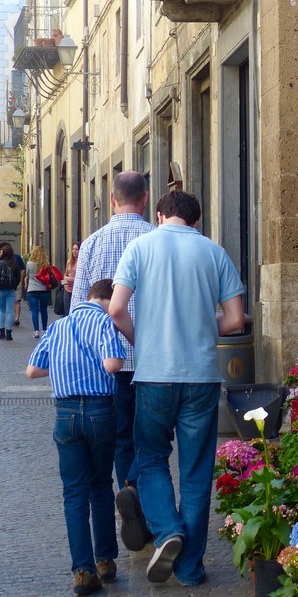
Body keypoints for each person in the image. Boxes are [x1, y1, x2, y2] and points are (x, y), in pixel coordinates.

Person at [110, 190, 244, 585]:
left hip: (153, 373)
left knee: (150, 458)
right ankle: (189, 569)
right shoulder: (213, 252)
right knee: (197, 471)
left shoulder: (140, 246)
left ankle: (168, 530)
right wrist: (202, 328)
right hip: (200, 375)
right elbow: (235, 319)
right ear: (195, 221)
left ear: (159, 214)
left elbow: (116, 309)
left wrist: (142, 339)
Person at [25, 279, 127, 596]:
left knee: (73, 492)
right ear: (108, 299)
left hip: (65, 413)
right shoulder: (104, 322)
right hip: (99, 411)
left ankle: (82, 572)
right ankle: (105, 561)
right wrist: (97, 363)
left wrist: (63, 367)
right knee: (100, 485)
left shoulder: (60, 326)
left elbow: (32, 370)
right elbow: (113, 364)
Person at [72, 171, 154, 536]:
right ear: (146, 198)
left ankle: (129, 496)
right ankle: (139, 493)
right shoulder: (156, 239)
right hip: (153, 356)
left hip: (111, 362)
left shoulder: (91, 244)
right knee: (152, 438)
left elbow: (79, 311)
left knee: (123, 437)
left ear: (111, 199)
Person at [25, 245, 61, 338]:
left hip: (32, 290)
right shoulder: (46, 264)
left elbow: (27, 276)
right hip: (44, 290)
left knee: (34, 311)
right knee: (44, 310)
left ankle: (36, 330)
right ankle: (44, 329)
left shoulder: (29, 264)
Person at [0, 243, 20, 339]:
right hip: (11, 290)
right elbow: (18, 277)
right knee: (10, 311)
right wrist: (14, 286)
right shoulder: (15, 263)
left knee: (1, 310)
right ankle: (9, 333)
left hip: (1, 289)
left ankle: (1, 332)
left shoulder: (0, 263)